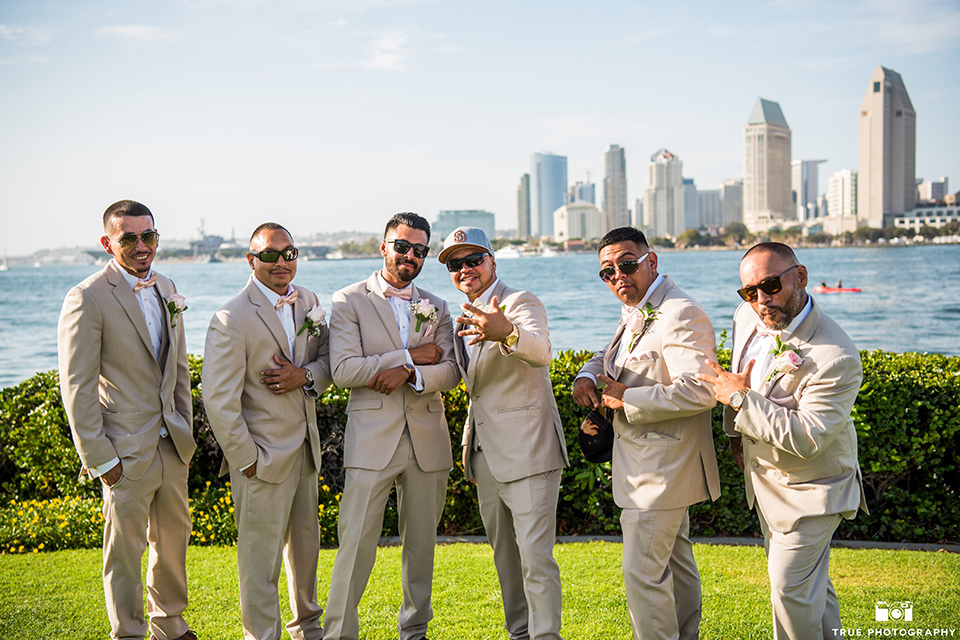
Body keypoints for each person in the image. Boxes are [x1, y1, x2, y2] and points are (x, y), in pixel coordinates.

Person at [697, 242, 868, 640]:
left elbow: (810, 437)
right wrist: (736, 434)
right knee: (811, 592)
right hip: (767, 485)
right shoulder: (746, 316)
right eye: (749, 291)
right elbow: (740, 375)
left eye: (770, 285)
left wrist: (740, 400)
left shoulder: (836, 355)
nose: (760, 300)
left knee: (790, 591)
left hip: (813, 490)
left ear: (801, 277)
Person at [572, 226, 720, 640]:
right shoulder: (640, 306)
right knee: (675, 563)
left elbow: (703, 389)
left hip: (661, 469)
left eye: (627, 264)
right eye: (607, 271)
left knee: (642, 573)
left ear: (651, 262)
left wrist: (629, 400)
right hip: (654, 467)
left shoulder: (678, 312)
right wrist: (588, 373)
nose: (618, 275)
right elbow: (610, 351)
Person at [57, 199, 197, 640]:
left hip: (171, 444)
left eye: (149, 236)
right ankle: (129, 632)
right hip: (123, 450)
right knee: (124, 550)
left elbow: (178, 369)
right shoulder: (88, 296)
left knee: (173, 542)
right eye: (129, 238)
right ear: (107, 243)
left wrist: (186, 434)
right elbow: (77, 387)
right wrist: (101, 459)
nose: (142, 246)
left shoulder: (167, 286)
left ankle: (170, 626)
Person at [323, 212, 460, 640]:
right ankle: (340, 634)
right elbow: (343, 369)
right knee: (355, 545)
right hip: (371, 441)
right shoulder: (348, 300)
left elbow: (454, 370)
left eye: (420, 250)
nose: (410, 256)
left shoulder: (437, 305)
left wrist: (412, 374)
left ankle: (414, 631)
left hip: (428, 440)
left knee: (421, 548)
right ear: (383, 246)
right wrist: (410, 357)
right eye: (402, 246)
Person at [202, 222, 332, 640]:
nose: (281, 262)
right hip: (261, 460)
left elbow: (329, 361)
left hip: (305, 452)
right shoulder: (231, 317)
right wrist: (248, 461)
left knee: (306, 553)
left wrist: (305, 375)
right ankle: (262, 636)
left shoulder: (309, 301)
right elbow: (219, 402)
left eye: (289, 253)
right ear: (251, 260)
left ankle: (307, 630)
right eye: (271, 255)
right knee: (260, 563)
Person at [438, 227, 568, 640]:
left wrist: (507, 332)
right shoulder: (459, 314)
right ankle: (520, 634)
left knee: (535, 559)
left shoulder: (520, 302)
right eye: (455, 264)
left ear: (493, 261)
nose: (465, 269)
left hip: (529, 452)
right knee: (506, 560)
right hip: (484, 455)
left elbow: (542, 349)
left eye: (473, 259)